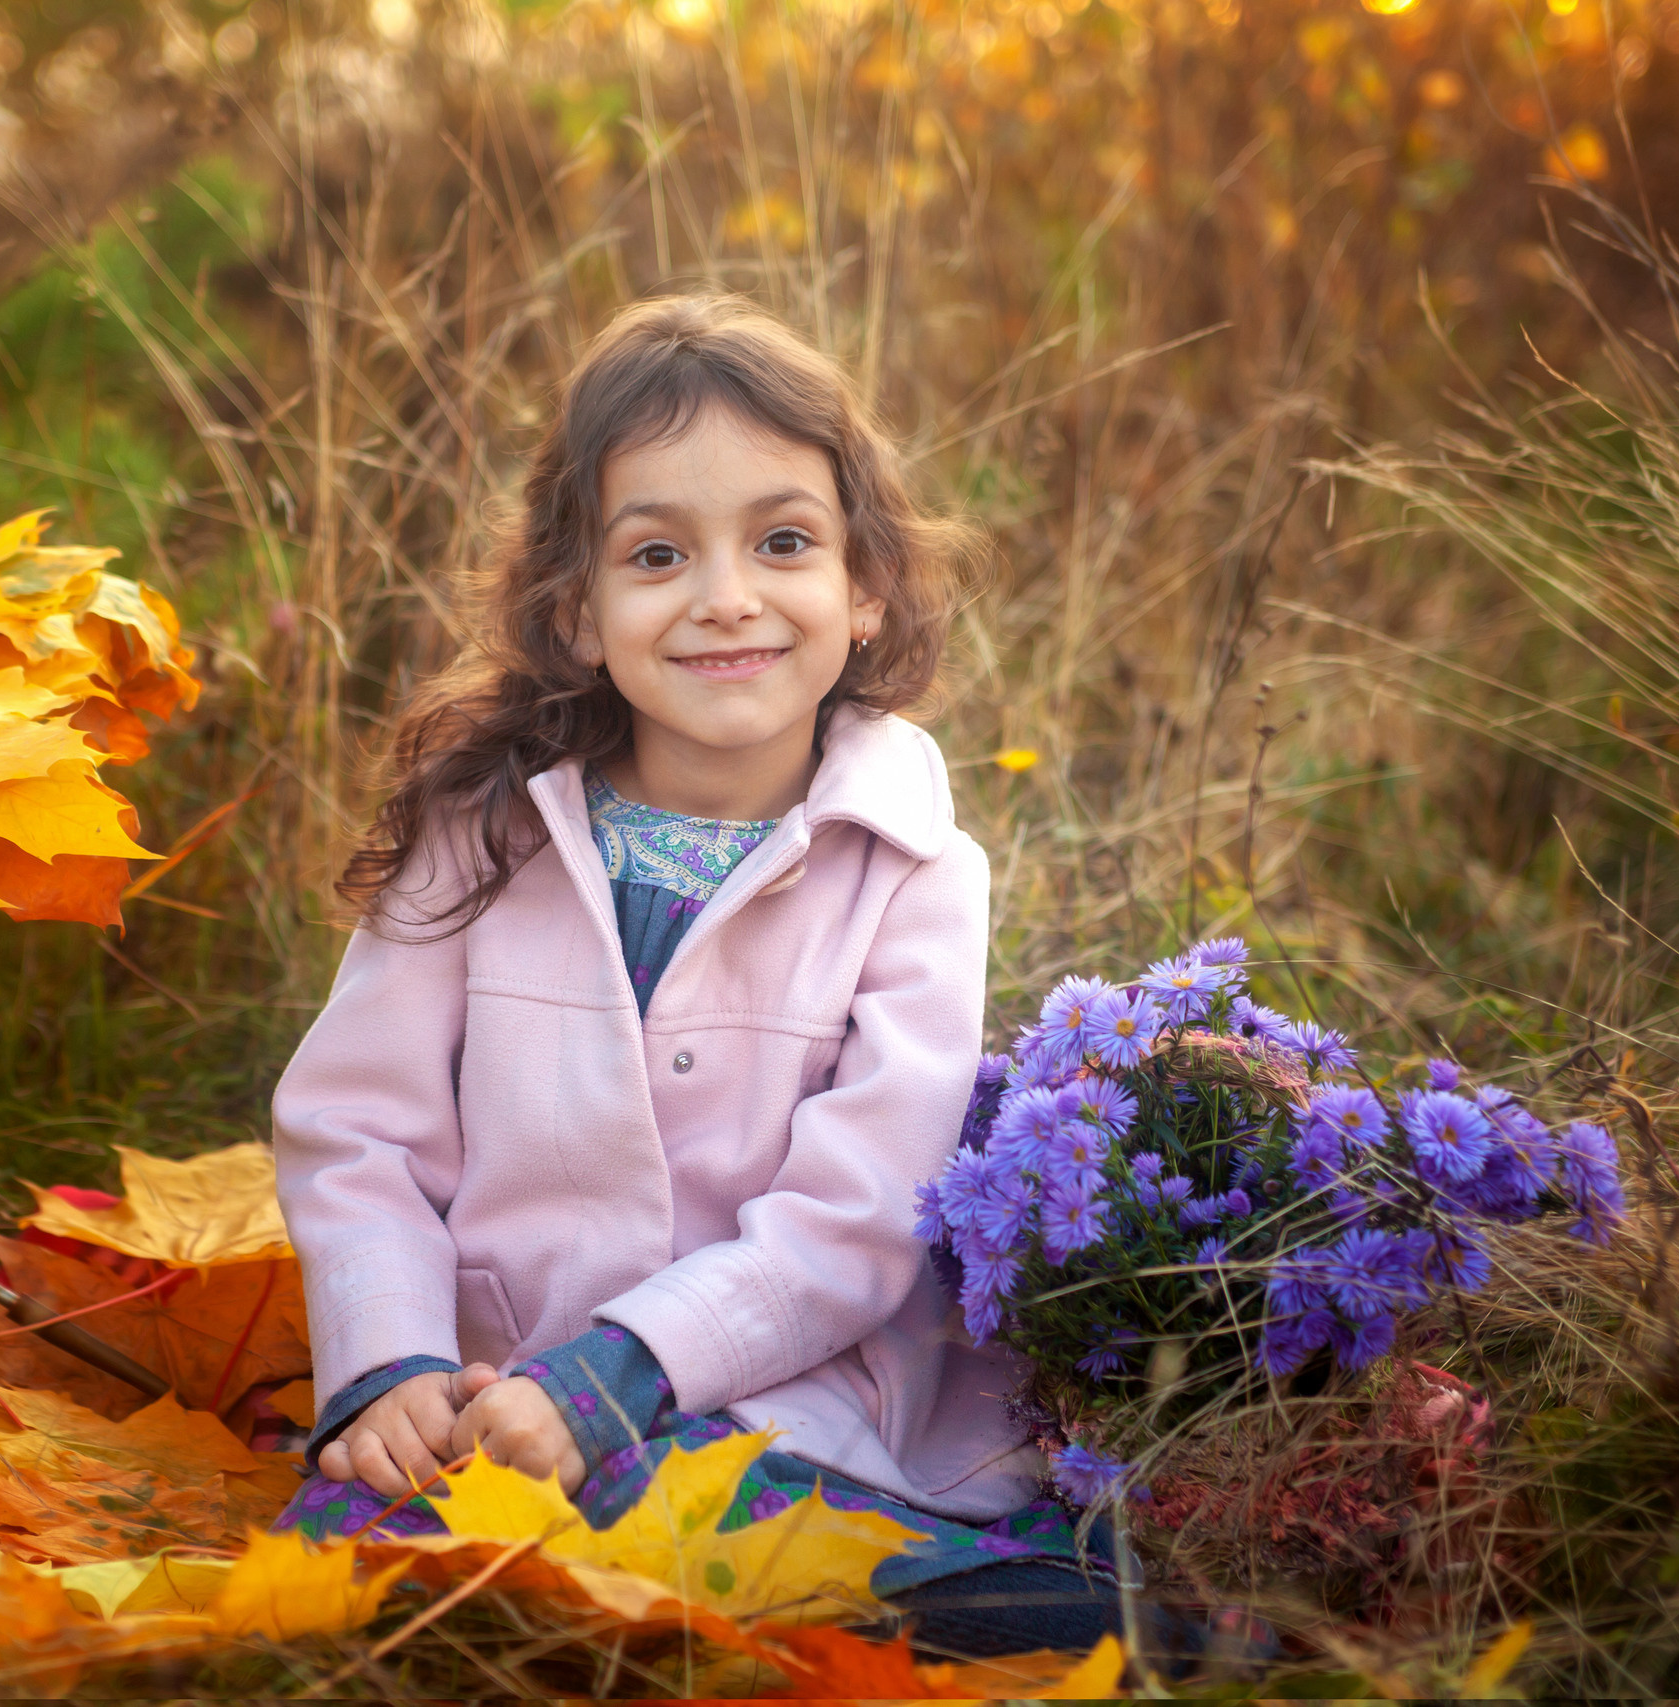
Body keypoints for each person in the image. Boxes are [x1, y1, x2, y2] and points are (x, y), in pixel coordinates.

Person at [267, 292, 1127, 1657]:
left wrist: (621, 1377)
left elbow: (858, 1216)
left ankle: (1033, 1611)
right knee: (353, 1573)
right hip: (491, 1401)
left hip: (790, 1403)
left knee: (724, 1534)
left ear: (865, 586)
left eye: (783, 541)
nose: (727, 597)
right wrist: (391, 1364)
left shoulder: (912, 869)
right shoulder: (478, 833)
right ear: (576, 608)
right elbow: (357, 1133)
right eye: (658, 553)